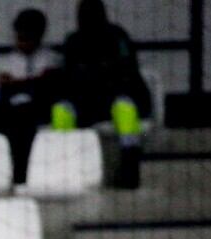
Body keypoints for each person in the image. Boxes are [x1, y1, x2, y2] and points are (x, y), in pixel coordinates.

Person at [53, 0, 151, 188]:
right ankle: (63, 165)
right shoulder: (73, 41)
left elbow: (128, 70)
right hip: (85, 103)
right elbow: (67, 77)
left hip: (114, 97)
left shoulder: (118, 36)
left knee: (125, 107)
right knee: (61, 110)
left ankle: (129, 163)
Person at [0, 8, 60, 183]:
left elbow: (47, 88)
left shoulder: (51, 58)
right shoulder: (8, 61)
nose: (21, 41)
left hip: (41, 110)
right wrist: (31, 83)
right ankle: (17, 175)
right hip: (15, 114)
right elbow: (5, 91)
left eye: (26, 37)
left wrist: (20, 84)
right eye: (19, 37)